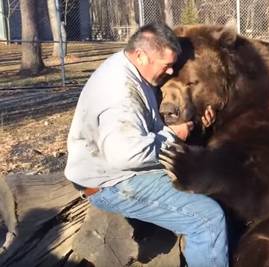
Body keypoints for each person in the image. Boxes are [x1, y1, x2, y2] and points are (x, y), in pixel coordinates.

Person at [64, 22, 228, 267]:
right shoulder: (119, 91)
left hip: (120, 171)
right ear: (140, 55)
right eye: (167, 65)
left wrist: (197, 124)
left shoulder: (132, 70)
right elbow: (126, 154)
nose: (172, 72)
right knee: (207, 219)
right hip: (114, 183)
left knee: (211, 181)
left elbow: (145, 128)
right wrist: (172, 136)